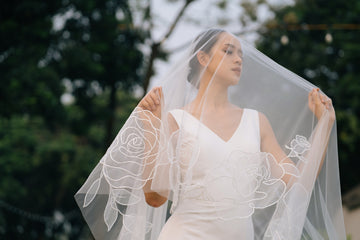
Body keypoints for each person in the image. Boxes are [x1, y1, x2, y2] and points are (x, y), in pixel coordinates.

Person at [75, 29, 346, 239]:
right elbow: (155, 197)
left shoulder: (256, 122)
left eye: (240, 53)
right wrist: (152, 128)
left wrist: (325, 125)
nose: (239, 59)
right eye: (228, 51)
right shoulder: (175, 120)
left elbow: (299, 185)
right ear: (203, 58)